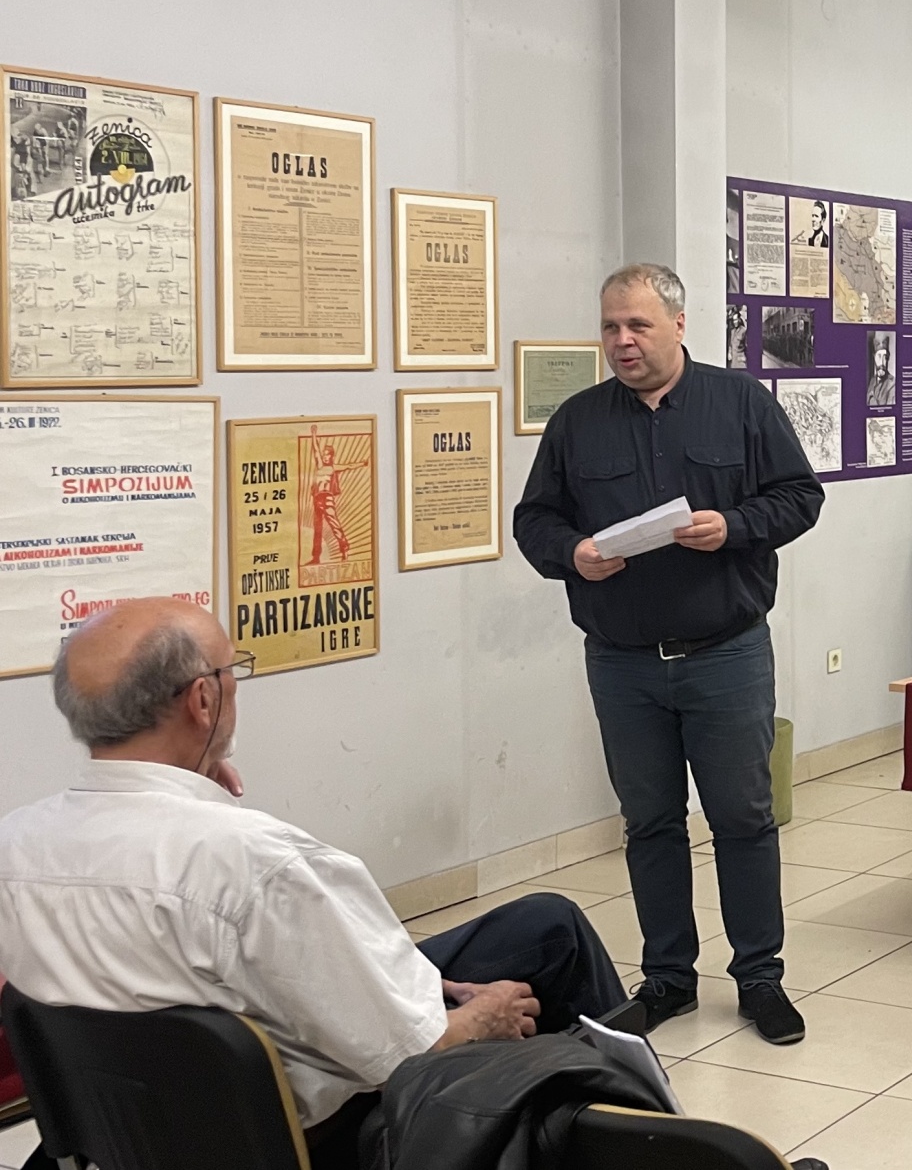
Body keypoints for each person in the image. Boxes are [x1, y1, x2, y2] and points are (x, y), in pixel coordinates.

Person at [0, 599, 630, 1170]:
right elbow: (413, 1054)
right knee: (551, 947)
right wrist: (481, 1019)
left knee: (544, 924)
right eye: (231, 671)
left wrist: (192, 785)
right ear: (202, 701)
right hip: (315, 1135)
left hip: (136, 1123)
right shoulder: (257, 862)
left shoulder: (15, 844)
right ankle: (639, 1134)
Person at [514, 264, 825, 1045]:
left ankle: (760, 977)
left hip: (725, 653)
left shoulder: (741, 403)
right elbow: (534, 519)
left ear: (679, 324)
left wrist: (735, 526)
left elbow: (800, 497)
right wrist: (573, 553)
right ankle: (667, 978)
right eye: (610, 326)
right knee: (649, 821)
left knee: (742, 818)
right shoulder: (578, 421)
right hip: (623, 663)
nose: (622, 340)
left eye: (638, 325)